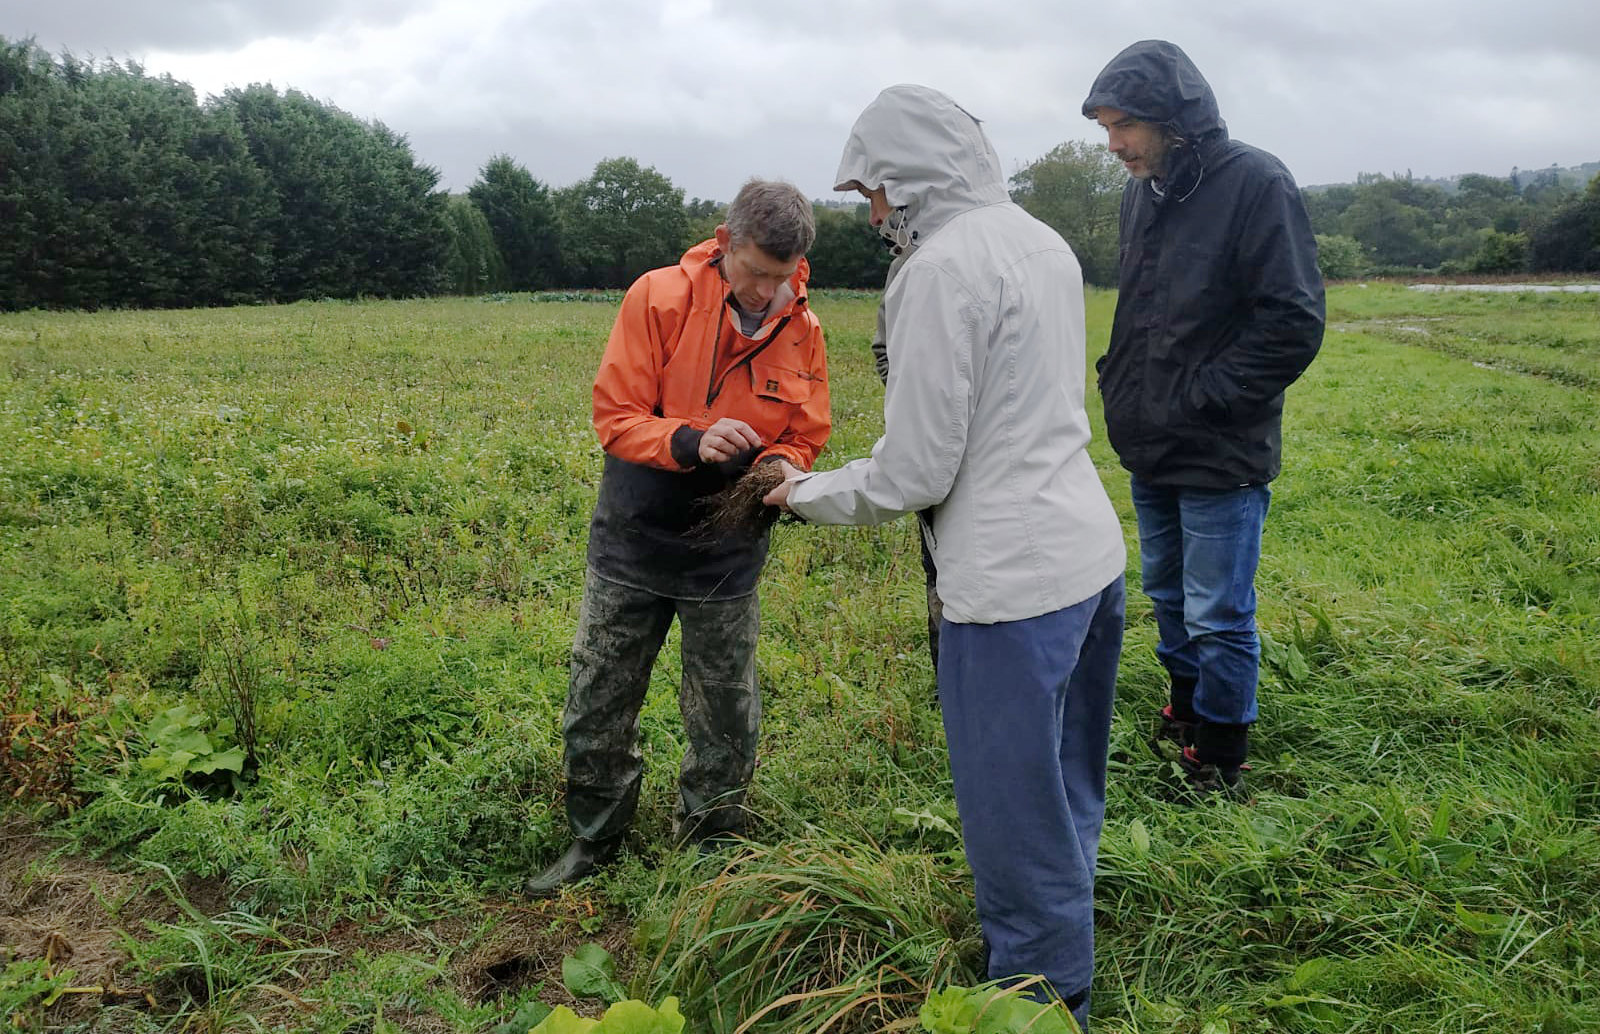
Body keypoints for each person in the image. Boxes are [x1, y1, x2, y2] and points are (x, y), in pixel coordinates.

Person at [765, 85, 1126, 1030]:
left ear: (909, 178)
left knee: (1015, 821)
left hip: (1010, 589)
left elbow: (917, 469)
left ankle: (1043, 1003)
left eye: (874, 194)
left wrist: (800, 493)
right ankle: (1060, 941)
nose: (875, 216)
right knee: (1067, 782)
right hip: (1089, 559)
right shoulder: (1042, 240)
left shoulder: (938, 273)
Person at [526, 180, 831, 896]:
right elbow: (616, 416)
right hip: (635, 538)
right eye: (754, 272)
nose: (765, 293)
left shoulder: (806, 329)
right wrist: (691, 438)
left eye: (781, 279)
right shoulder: (657, 298)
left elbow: (805, 432)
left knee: (726, 709)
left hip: (729, 550)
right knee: (599, 699)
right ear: (725, 245)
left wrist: (780, 464)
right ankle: (593, 840)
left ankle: (711, 849)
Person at [1082, 41, 1325, 797]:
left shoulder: (1256, 182)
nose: (1114, 143)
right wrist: (1123, 386)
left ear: (1173, 119)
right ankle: (1187, 708)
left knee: (1219, 608)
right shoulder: (1142, 192)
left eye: (1125, 127)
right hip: (1151, 442)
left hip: (1220, 447)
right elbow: (1143, 314)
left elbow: (1292, 321)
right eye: (1106, 129)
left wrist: (1202, 397)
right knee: (1167, 593)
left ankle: (1221, 754)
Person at [869, 245, 944, 675]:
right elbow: (884, 350)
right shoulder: (906, 264)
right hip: (928, 441)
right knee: (937, 567)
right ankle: (945, 677)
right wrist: (916, 405)